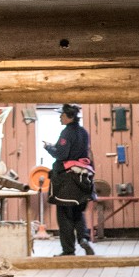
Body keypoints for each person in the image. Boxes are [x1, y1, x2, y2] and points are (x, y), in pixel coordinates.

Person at [44, 103, 95, 256]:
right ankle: (83, 238)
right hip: (83, 178)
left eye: (62, 115)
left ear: (69, 116)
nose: (60, 117)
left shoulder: (67, 132)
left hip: (67, 180)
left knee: (64, 216)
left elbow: (62, 154)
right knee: (78, 212)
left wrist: (49, 148)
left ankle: (68, 250)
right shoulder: (83, 132)